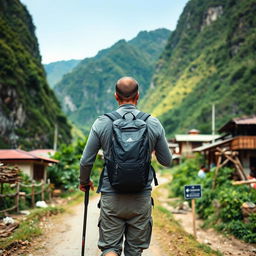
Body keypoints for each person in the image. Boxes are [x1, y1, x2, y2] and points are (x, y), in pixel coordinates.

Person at [79, 76, 172, 256]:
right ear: (138, 96)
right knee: (134, 251)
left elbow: (86, 161)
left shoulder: (102, 122)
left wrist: (84, 181)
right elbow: (167, 161)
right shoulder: (153, 123)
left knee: (110, 248)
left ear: (116, 96)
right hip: (140, 197)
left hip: (111, 196)